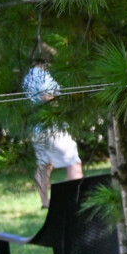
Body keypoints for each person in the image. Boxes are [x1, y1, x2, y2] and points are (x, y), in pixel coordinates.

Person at [23, 50, 83, 208]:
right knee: (73, 162)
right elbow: (48, 97)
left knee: (44, 165)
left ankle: (45, 202)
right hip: (53, 127)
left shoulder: (28, 76)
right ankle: (77, 199)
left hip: (36, 128)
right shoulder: (43, 76)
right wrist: (64, 104)